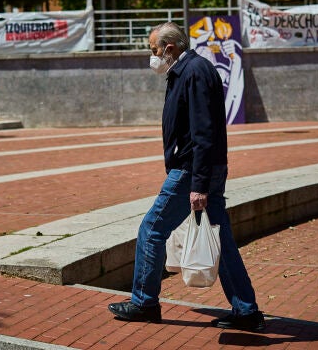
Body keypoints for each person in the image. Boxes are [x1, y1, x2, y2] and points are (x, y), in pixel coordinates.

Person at [107, 22, 265, 332]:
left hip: (192, 169)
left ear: (170, 47)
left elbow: (203, 132)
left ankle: (144, 302)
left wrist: (198, 185)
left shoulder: (192, 72)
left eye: (154, 50)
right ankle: (246, 310)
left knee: (152, 228)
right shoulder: (191, 70)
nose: (152, 56)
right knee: (221, 238)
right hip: (204, 167)